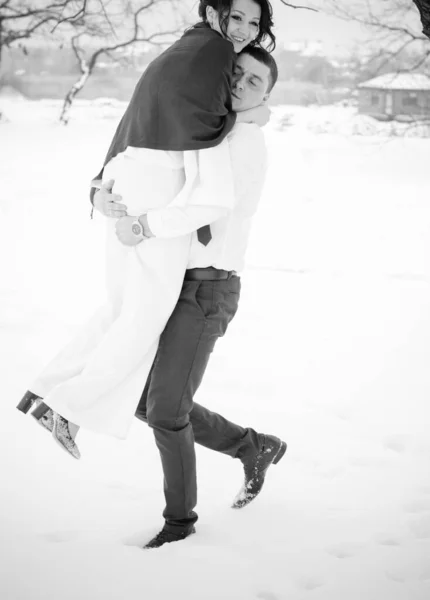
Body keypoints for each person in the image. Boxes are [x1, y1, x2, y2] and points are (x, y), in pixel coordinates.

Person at [16, 0, 275, 456]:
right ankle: (65, 409)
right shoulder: (214, 51)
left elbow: (134, 120)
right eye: (236, 17)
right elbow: (205, 125)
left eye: (254, 23)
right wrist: (248, 115)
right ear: (214, 12)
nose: (244, 30)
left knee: (119, 308)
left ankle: (44, 389)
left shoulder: (181, 49)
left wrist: (99, 182)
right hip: (156, 190)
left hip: (129, 173)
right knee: (144, 316)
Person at [97, 46, 286, 550]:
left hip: (208, 287)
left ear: (267, 95)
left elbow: (204, 203)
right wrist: (103, 189)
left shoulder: (243, 142)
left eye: (255, 81)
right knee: (148, 401)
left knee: (164, 410)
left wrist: (142, 225)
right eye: (237, 74)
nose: (242, 83)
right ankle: (253, 445)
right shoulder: (206, 130)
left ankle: (180, 524)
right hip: (171, 280)